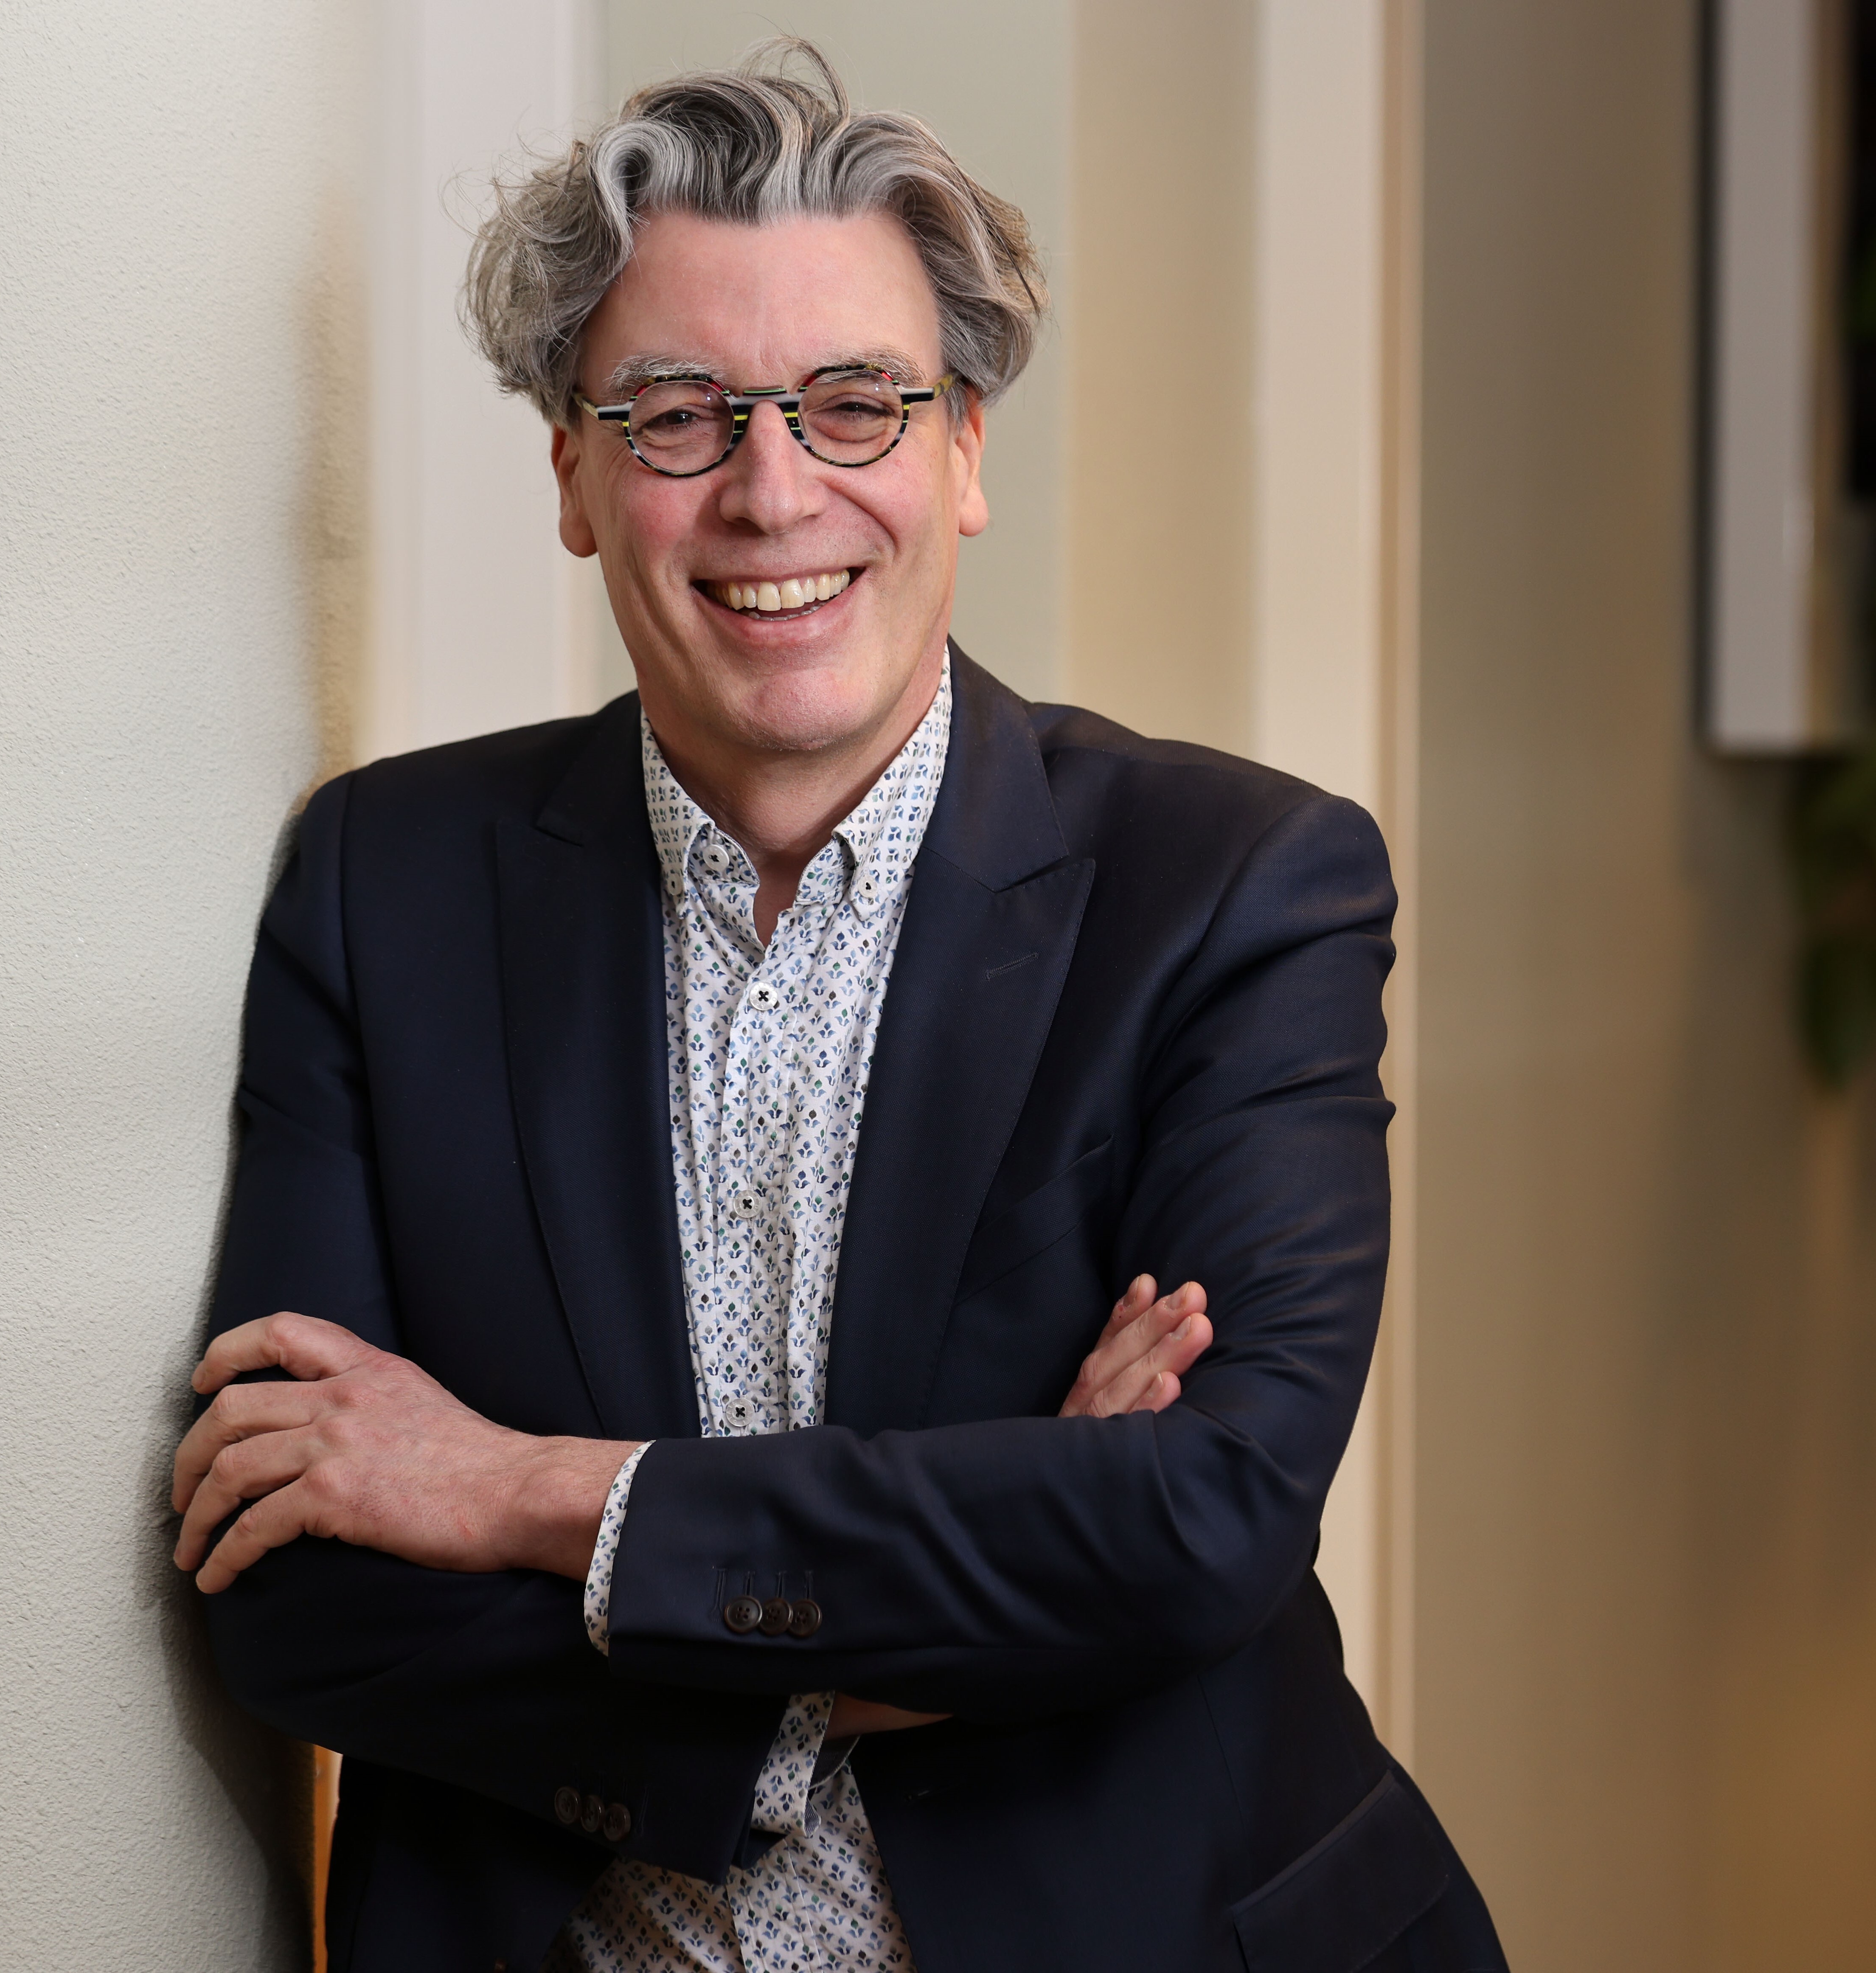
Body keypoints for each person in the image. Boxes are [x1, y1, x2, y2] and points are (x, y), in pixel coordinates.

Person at [171, 42, 1506, 1973]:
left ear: (963, 451)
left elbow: (1198, 1520)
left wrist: (515, 1493)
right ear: (573, 471)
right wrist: (969, 1597)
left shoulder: (1237, 887)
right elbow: (291, 1579)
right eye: (678, 414)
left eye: (855, 404)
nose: (772, 490)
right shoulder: (383, 884)